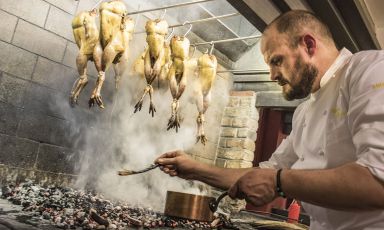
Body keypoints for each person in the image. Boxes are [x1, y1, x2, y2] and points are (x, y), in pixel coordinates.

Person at [155, 10, 384, 230]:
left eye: (276, 61)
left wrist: (278, 182)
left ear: (309, 45)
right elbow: (268, 172)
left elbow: (378, 180)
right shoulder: (305, 111)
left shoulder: (370, 71)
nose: (272, 75)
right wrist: (194, 169)